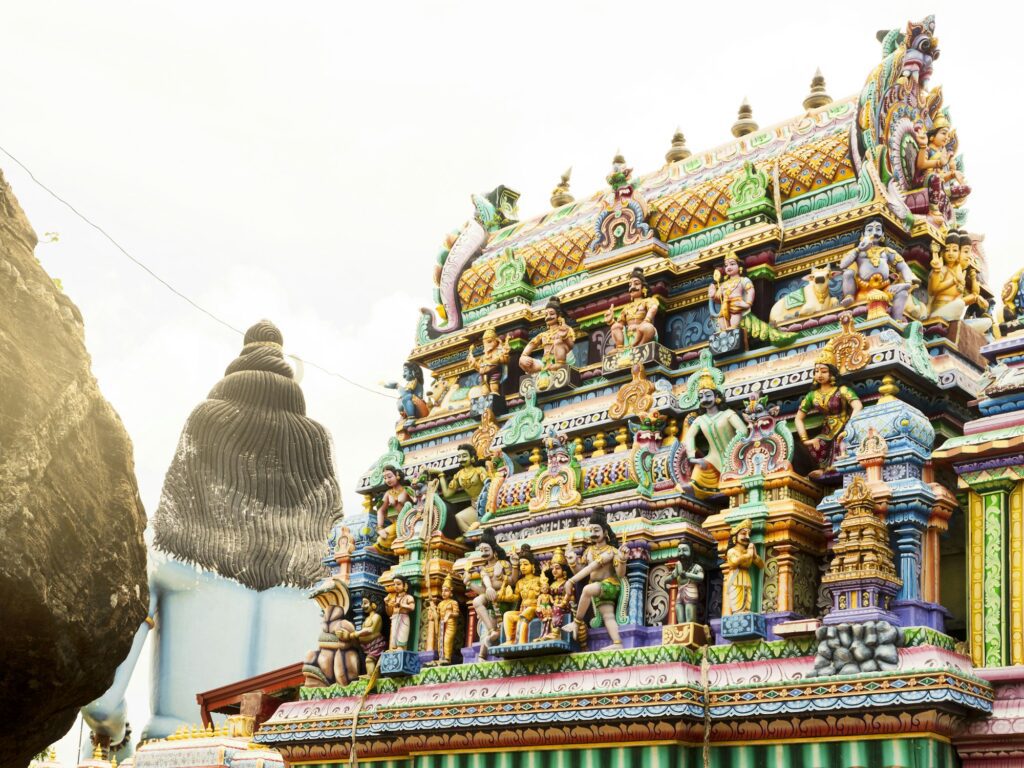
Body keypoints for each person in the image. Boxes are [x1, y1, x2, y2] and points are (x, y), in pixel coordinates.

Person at [563, 509, 629, 648]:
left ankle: (577, 621)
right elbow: (582, 572)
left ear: (605, 532)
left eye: (596, 530)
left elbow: (620, 573)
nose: (593, 534)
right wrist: (572, 561)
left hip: (610, 586)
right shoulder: (588, 552)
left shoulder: (611, 551)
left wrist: (622, 559)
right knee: (608, 616)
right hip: (598, 589)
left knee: (587, 589)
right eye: (591, 530)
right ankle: (617, 642)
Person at [794, 349, 862, 478]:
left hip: (843, 424)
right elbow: (798, 418)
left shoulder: (842, 390)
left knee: (841, 442)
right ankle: (824, 468)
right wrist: (805, 440)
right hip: (827, 429)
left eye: (824, 371)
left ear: (832, 373)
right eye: (816, 371)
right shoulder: (812, 395)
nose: (819, 374)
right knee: (818, 443)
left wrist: (849, 428)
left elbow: (858, 406)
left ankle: (838, 464)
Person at [683, 373, 748, 498]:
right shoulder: (700, 420)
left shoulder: (728, 414)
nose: (705, 399)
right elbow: (689, 436)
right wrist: (692, 457)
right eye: (701, 397)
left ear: (717, 396)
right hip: (713, 458)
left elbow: (743, 430)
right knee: (698, 469)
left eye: (708, 395)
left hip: (735, 456)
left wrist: (733, 447)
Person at [466, 529, 511, 659]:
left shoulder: (503, 564)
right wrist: (469, 584)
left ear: (494, 551)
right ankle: (492, 630)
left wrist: (502, 575)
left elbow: (513, 580)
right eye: (481, 551)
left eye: (486, 550)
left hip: (503, 595)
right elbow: (484, 590)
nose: (484, 554)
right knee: (476, 601)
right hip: (490, 596)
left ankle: (483, 653)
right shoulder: (484, 569)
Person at [430, 444, 490, 535]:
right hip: (475, 507)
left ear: (472, 457)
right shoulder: (459, 475)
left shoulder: (479, 470)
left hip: (487, 504)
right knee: (459, 517)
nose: (461, 459)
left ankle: (479, 532)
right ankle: (473, 536)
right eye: (459, 457)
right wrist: (441, 474)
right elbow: (447, 494)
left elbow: (488, 485)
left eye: (464, 456)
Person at [605, 268, 659, 351]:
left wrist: (645, 322)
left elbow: (653, 308)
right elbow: (620, 324)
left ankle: (640, 346)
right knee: (615, 326)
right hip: (629, 335)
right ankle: (620, 348)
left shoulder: (648, 301)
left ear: (643, 288)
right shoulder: (627, 307)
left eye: (636, 284)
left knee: (647, 327)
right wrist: (611, 321)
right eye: (630, 285)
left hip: (642, 330)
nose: (632, 287)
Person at [519, 298, 576, 375]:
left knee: (558, 342)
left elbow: (571, 345)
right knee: (522, 362)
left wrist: (564, 337)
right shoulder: (543, 335)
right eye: (546, 315)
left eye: (552, 314)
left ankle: (559, 365)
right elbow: (531, 345)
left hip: (562, 360)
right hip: (545, 363)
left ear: (558, 315)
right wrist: (523, 357)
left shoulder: (565, 329)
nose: (548, 317)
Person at [501, 552, 547, 645]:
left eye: (525, 564)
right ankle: (510, 640)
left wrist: (544, 573)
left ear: (533, 566)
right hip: (523, 609)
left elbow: (545, 590)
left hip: (534, 608)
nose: (522, 567)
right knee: (507, 615)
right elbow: (517, 597)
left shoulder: (538, 579)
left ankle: (522, 641)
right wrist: (508, 597)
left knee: (525, 613)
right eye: (521, 564)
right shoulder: (519, 582)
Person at [722, 519, 764, 616]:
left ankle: (745, 611)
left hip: (745, 576)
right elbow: (733, 563)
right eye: (743, 534)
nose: (747, 537)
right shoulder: (732, 551)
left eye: (749, 534)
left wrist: (754, 555)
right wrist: (748, 555)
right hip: (735, 576)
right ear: (734, 537)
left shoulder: (747, 551)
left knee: (747, 596)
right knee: (737, 599)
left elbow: (761, 565)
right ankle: (737, 613)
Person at [708, 254, 754, 332]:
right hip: (724, 307)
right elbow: (719, 298)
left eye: (732, 264)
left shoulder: (743, 280)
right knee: (723, 328)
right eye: (726, 265)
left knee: (734, 327)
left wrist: (747, 304)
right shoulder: (724, 284)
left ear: (739, 266)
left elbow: (750, 290)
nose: (728, 267)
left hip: (736, 305)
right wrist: (713, 295)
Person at [374, 466, 414, 551]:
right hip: (397, 524)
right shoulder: (388, 494)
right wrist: (380, 528)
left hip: (411, 522)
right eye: (385, 478)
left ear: (397, 475)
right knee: (381, 540)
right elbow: (380, 510)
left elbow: (418, 501)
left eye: (389, 476)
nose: (387, 480)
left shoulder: (407, 489)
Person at [344, 597, 385, 677]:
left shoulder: (376, 616)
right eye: (362, 603)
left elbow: (370, 630)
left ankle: (371, 676)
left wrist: (354, 634)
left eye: (365, 603)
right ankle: (370, 675)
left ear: (373, 605)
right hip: (367, 646)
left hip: (376, 644)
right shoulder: (366, 619)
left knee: (369, 660)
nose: (362, 606)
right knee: (367, 660)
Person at [668, 542, 703, 625]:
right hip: (680, 592)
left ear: (691, 553)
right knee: (679, 616)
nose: (681, 553)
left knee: (690, 618)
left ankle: (690, 633)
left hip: (690, 591)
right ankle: (682, 633)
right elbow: (671, 577)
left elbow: (701, 577)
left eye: (684, 550)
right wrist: (666, 579)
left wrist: (687, 574)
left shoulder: (696, 567)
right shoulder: (678, 566)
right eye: (679, 551)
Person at [467, 329, 510, 396]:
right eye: (485, 343)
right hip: (484, 375)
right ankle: (485, 394)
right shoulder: (483, 357)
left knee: (493, 385)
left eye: (489, 342)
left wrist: (505, 354)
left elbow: (504, 360)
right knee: (484, 389)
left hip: (495, 372)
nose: (487, 345)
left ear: (496, 341)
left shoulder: (498, 352)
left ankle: (494, 393)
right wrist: (474, 363)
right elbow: (480, 368)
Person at [384, 575, 416, 651]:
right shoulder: (393, 598)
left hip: (403, 618)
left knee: (401, 636)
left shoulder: (408, 597)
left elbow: (412, 607)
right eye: (394, 584)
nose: (396, 586)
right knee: (393, 635)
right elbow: (389, 613)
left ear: (405, 585)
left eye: (398, 584)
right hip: (394, 618)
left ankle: (400, 648)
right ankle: (393, 648)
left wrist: (402, 605)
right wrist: (387, 604)